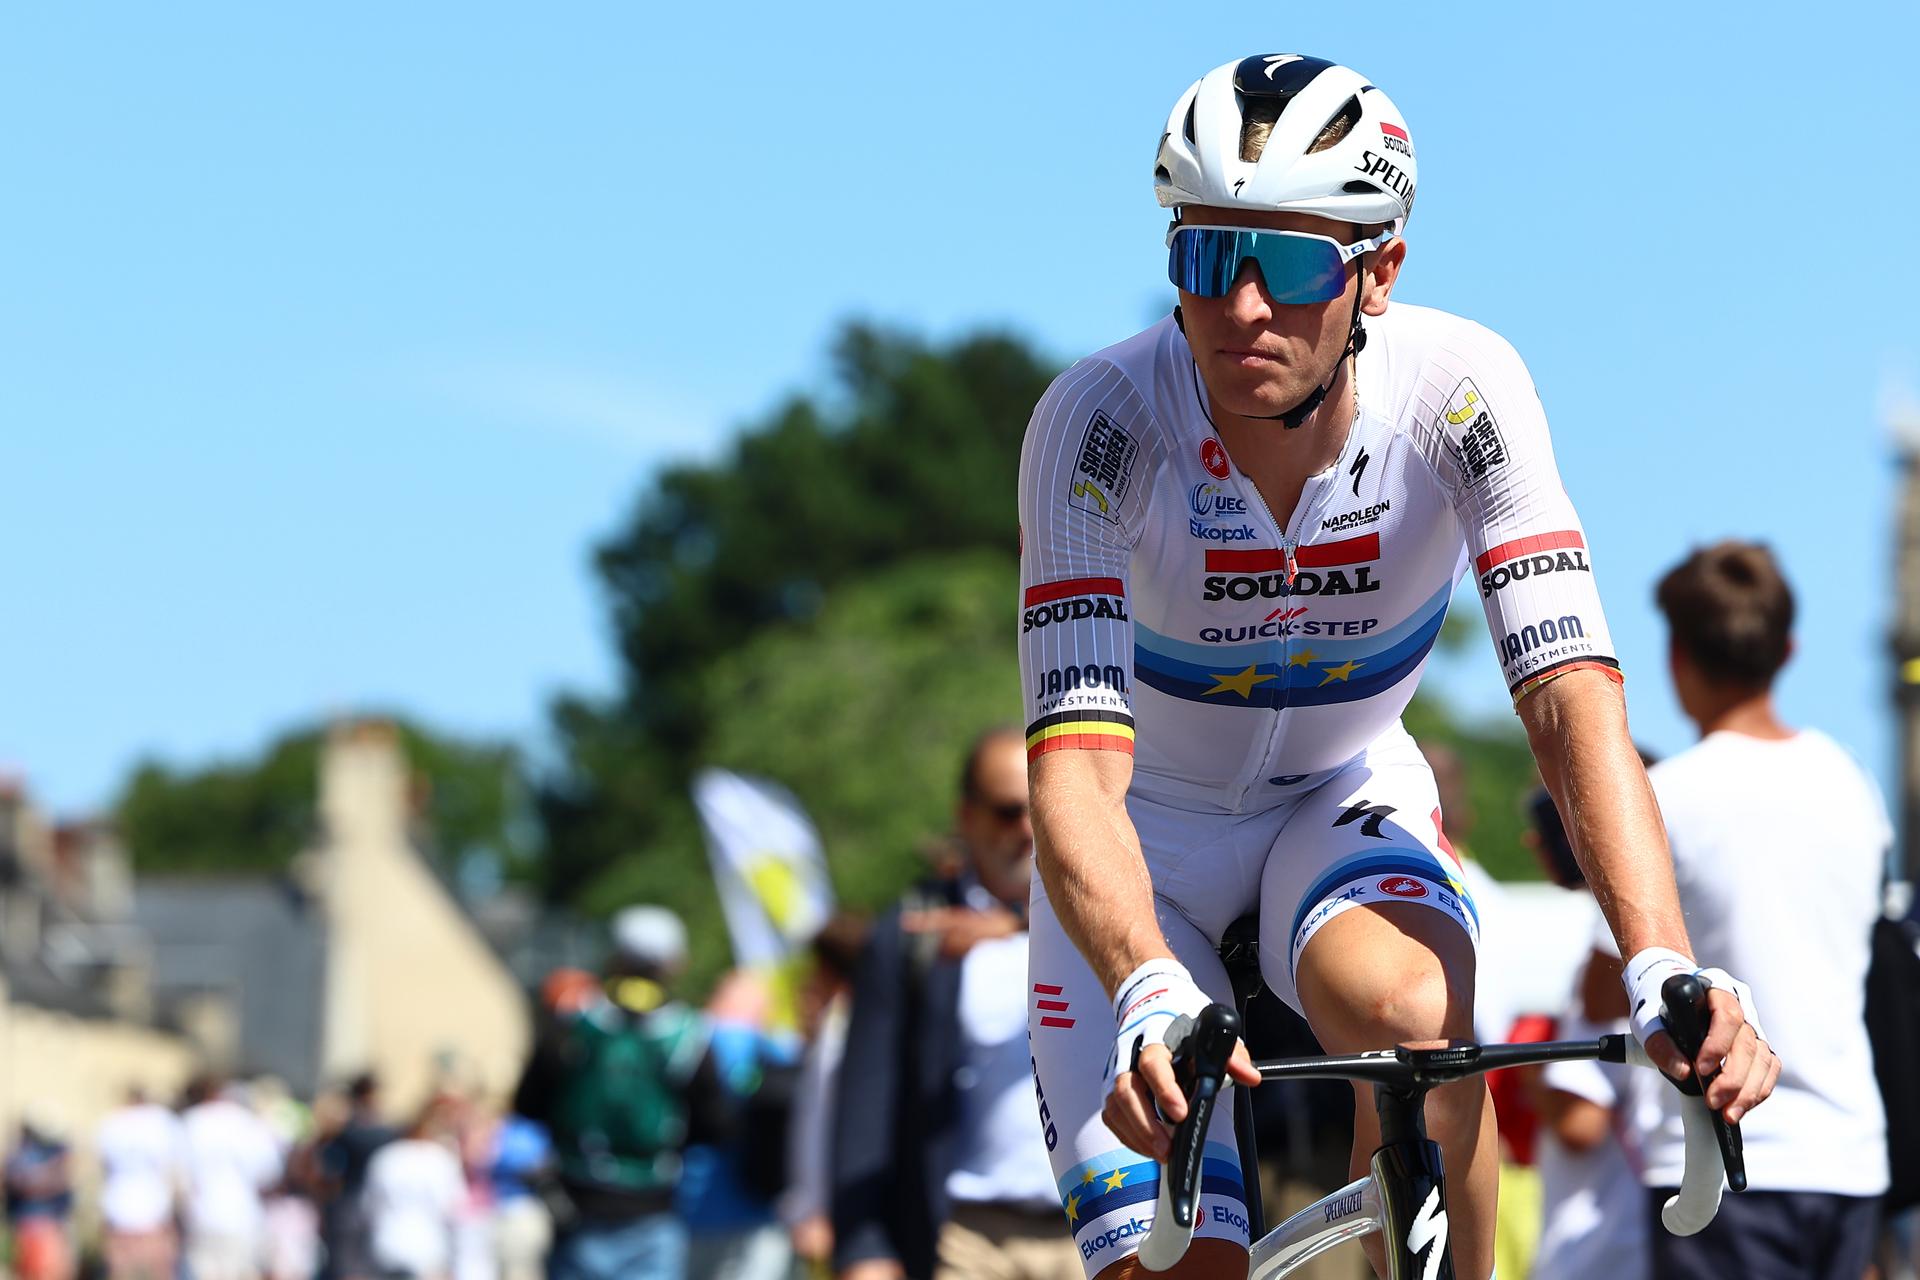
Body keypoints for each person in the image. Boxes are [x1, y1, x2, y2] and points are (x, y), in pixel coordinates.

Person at [1016, 54, 1777, 1280]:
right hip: (1138, 841)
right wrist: (1145, 983)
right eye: (1208, 257)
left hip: (1337, 790)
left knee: (1413, 1012)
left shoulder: (1461, 395)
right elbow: (1075, 777)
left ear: (1380, 270)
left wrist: (1659, 960)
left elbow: (1570, 695)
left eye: (1295, 262)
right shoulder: (1099, 426)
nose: (1244, 306)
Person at [1638, 541, 1887, 1277]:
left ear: (1677, 656)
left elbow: (1609, 982)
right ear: (1789, 649)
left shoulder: (1663, 800)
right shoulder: (1852, 785)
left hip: (1713, 1161)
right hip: (1847, 1158)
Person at [831, 727, 1079, 1280]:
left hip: (1104, 1226)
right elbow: (867, 1099)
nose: (1025, 828)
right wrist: (862, 1246)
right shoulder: (914, 934)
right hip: (969, 1239)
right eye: (1007, 810)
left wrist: (1016, 924)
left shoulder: (1114, 917)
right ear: (966, 817)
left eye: (1039, 806)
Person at [513, 904, 732, 1280]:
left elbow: (528, 1104)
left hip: (575, 1207)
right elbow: (716, 1125)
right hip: (654, 1209)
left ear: (614, 957)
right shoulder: (689, 1035)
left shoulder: (573, 1025)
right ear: (673, 964)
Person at [1521, 783, 1649, 1280]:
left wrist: (1526, 1068)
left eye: (1554, 822)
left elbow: (1581, 1122)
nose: (1533, 843)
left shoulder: (1614, 959)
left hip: (1597, 1246)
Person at [180, 1075, 284, 1280]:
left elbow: (180, 1175)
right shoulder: (248, 1123)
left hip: (201, 1215)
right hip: (241, 1217)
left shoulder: (191, 1121)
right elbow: (268, 1174)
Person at [361, 1097, 469, 1280]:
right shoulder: (440, 1159)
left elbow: (368, 1206)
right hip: (427, 1249)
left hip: (387, 1245)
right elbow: (454, 1209)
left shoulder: (385, 1157)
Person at [95, 1086, 187, 1280]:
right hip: (153, 1210)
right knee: (158, 1270)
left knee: (121, 1270)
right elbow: (175, 1168)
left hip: (118, 1208)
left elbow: (102, 1165)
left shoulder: (113, 1122)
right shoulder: (161, 1121)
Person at [4, 1106, 75, 1280]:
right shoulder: (21, 1158)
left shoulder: (53, 1154)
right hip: (36, 1224)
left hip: (49, 1222)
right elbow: (27, 1184)